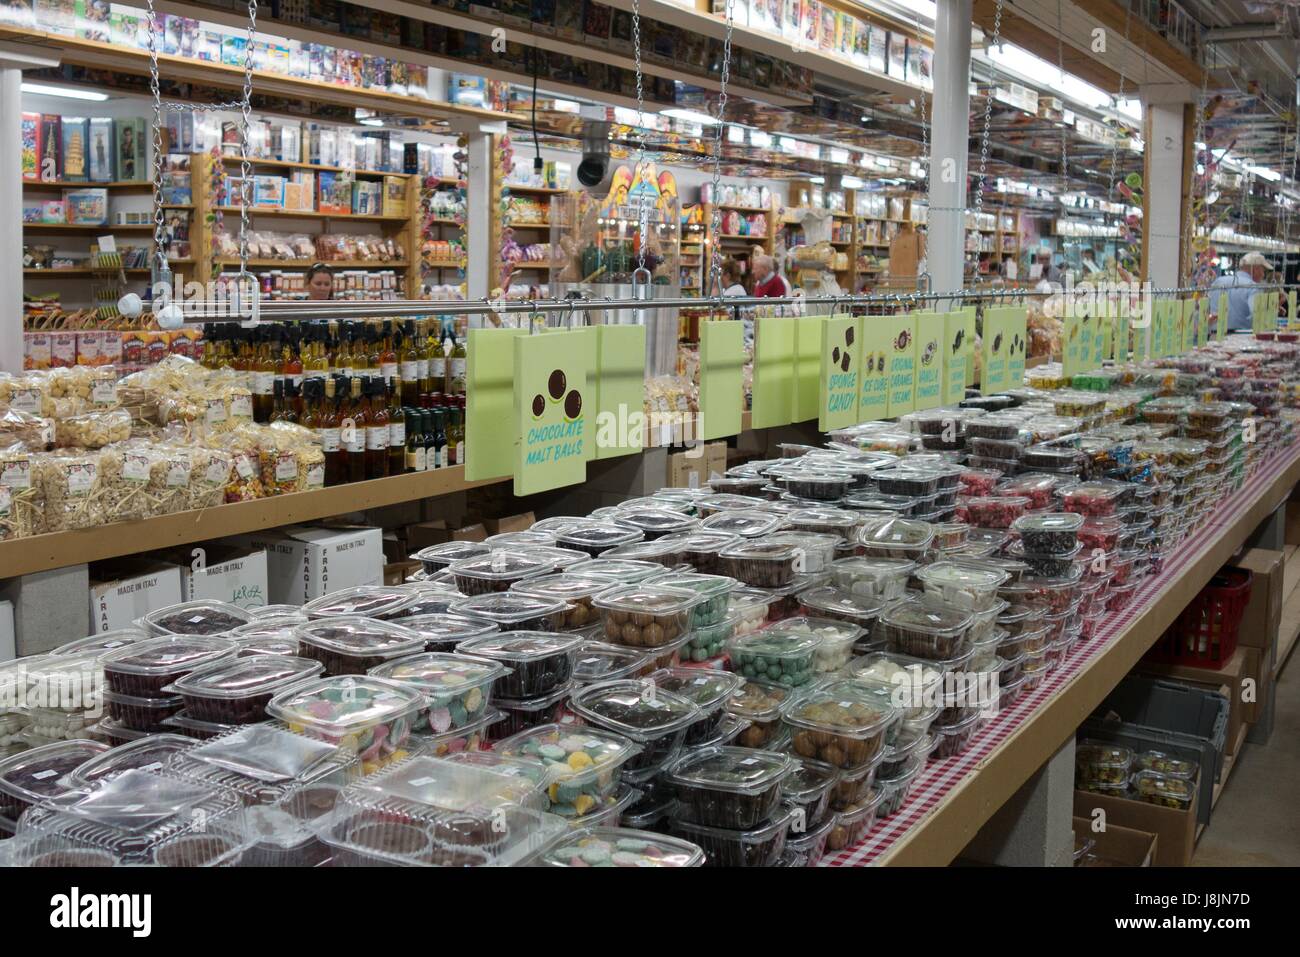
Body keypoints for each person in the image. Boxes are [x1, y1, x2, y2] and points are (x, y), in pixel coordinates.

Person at [1210, 252, 1268, 332]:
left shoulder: (1218, 281)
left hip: (1215, 336)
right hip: (1241, 338)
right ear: (1255, 269)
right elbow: (1257, 315)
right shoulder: (1253, 287)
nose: (1263, 275)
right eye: (1263, 271)